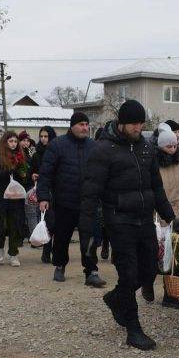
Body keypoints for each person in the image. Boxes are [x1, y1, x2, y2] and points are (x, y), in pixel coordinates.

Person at [80, 100, 176, 350]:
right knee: (129, 272)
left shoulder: (146, 148)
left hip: (145, 220)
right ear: (121, 123)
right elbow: (90, 192)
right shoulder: (103, 150)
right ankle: (133, 329)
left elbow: (155, 185)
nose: (138, 127)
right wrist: (87, 228)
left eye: (141, 122)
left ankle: (115, 297)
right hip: (119, 221)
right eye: (134, 123)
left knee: (149, 272)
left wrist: (168, 213)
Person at [38, 112, 106, 287]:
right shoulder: (57, 145)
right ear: (72, 126)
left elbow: (102, 173)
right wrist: (43, 197)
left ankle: (91, 271)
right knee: (61, 237)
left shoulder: (94, 146)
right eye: (81, 124)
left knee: (89, 238)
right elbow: (45, 174)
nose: (85, 128)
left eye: (86, 124)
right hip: (64, 201)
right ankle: (60, 265)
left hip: (88, 203)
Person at [141, 124, 179, 309]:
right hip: (157, 216)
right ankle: (147, 283)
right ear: (160, 146)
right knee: (154, 254)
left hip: (178, 215)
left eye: (175, 146)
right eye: (169, 146)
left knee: (174, 256)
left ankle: (169, 294)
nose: (172, 149)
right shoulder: (152, 164)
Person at [0, 131, 29, 267]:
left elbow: (24, 175)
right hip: (1, 195)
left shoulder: (20, 156)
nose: (13, 144)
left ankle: (13, 254)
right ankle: (0, 248)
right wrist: (9, 170)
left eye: (15, 141)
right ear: (5, 142)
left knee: (14, 224)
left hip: (15, 196)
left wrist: (22, 173)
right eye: (10, 141)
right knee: (1, 224)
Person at [30, 126, 57, 264]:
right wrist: (34, 175)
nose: (43, 139)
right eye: (41, 136)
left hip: (57, 191)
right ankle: (46, 252)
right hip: (44, 192)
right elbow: (32, 170)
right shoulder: (37, 154)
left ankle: (55, 251)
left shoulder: (57, 151)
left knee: (57, 223)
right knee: (47, 222)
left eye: (46, 136)